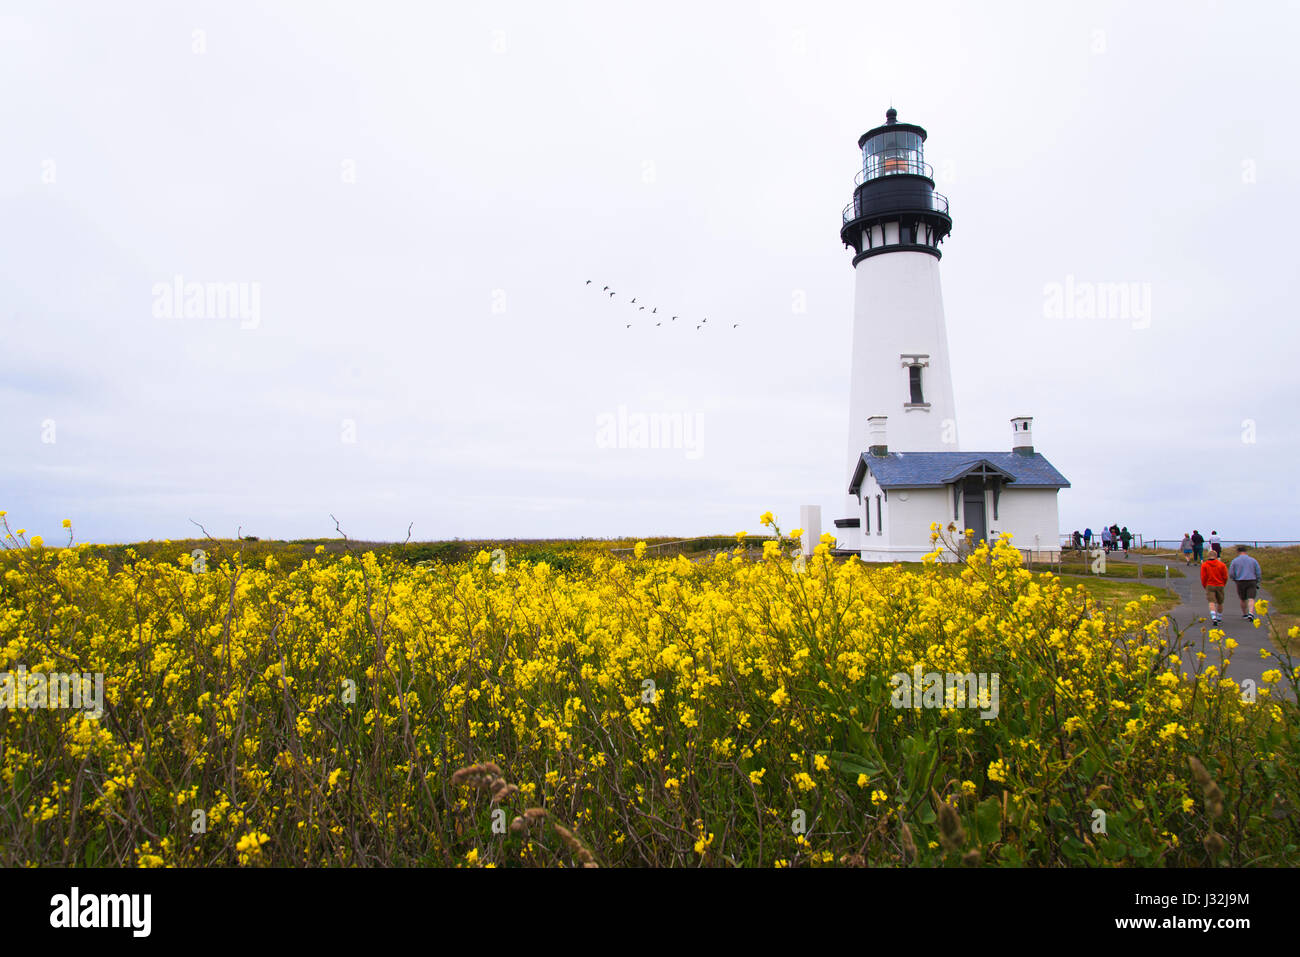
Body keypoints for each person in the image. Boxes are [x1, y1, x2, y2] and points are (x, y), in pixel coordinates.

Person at [1228, 544, 1262, 621]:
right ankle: (1251, 613)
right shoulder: (1253, 560)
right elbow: (1258, 571)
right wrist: (1258, 580)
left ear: (1238, 552)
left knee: (1242, 599)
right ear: (1245, 551)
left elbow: (1231, 573)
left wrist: (1234, 579)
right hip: (1251, 580)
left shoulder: (1235, 561)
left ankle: (1245, 614)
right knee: (1251, 598)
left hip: (1240, 581)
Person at [1200, 549, 1228, 624]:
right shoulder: (1222, 565)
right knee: (1220, 602)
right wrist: (1223, 584)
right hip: (1220, 585)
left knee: (1211, 601)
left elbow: (1203, 577)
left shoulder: (1205, 565)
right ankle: (1219, 617)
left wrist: (1205, 585)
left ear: (1208, 556)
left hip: (1210, 585)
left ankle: (1213, 617)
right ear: (1216, 556)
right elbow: (1225, 576)